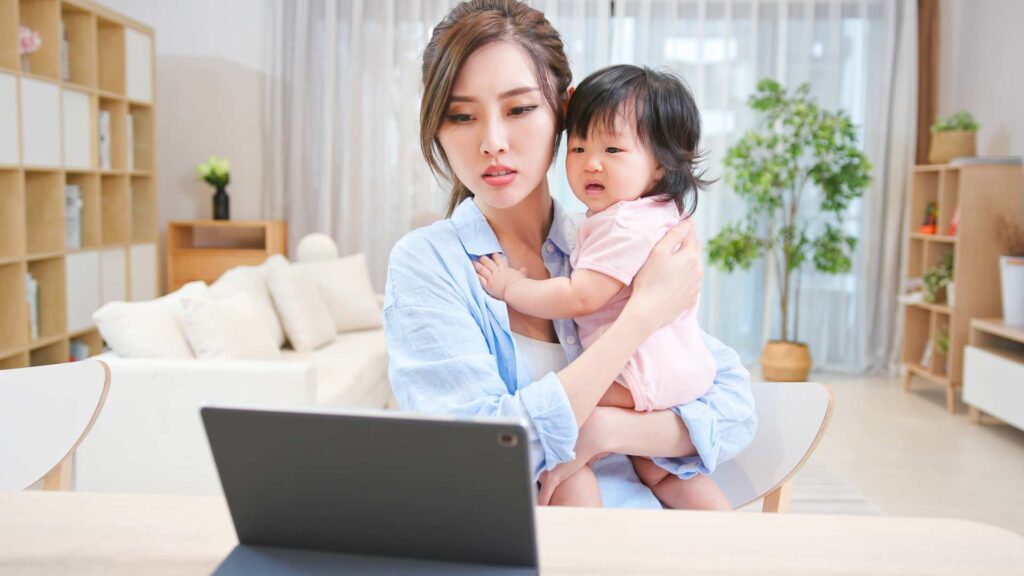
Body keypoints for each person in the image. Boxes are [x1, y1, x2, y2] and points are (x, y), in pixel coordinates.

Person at [384, 0, 756, 509]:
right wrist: (640, 317)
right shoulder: (429, 265)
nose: (493, 143)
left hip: (658, 536)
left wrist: (604, 429)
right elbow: (475, 457)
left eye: (519, 109)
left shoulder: (602, 240)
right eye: (461, 116)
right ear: (437, 127)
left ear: (565, 108)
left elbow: (732, 405)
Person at [473, 64, 729, 509]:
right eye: (578, 147)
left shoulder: (625, 223)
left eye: (613, 148)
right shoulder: (655, 214)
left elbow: (580, 295)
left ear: (661, 164)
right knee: (661, 471)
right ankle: (730, 536)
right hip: (675, 369)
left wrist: (512, 286)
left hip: (639, 371)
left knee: (564, 425)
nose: (591, 162)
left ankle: (587, 532)